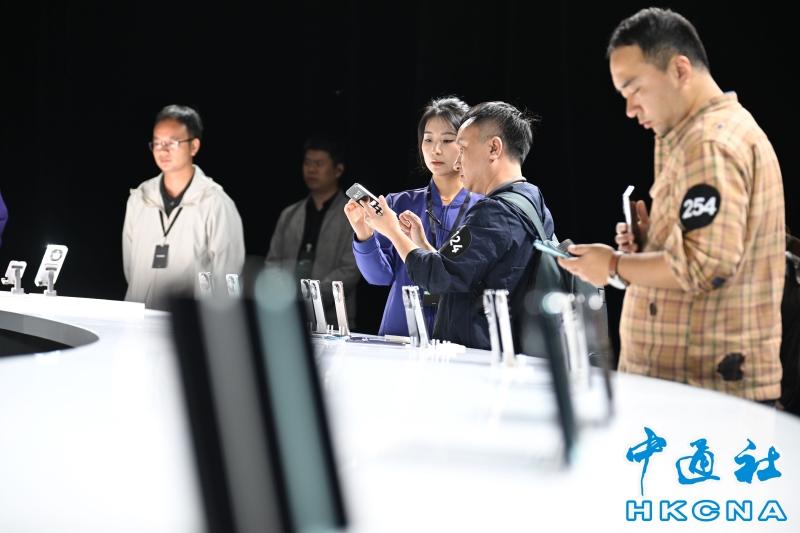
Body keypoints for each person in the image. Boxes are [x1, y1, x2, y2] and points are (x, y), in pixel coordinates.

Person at [557, 8, 785, 402]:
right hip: (687, 387)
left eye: (635, 89)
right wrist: (652, 244)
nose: (630, 109)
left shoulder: (709, 144)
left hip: (703, 392)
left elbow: (703, 266)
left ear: (680, 70)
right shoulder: (693, 136)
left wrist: (612, 265)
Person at [359, 101, 555, 349]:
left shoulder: (492, 212)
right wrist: (422, 243)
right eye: (428, 140)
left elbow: (438, 276)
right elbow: (461, 272)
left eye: (461, 148)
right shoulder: (532, 199)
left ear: (494, 148)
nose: (457, 162)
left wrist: (392, 231)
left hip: (478, 354)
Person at [344, 97, 482, 336]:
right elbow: (379, 277)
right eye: (428, 140)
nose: (435, 149)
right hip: (400, 332)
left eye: (447, 140)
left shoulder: (484, 209)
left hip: (457, 335)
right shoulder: (398, 204)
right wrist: (364, 235)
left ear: (466, 144)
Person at [123, 105, 245, 310]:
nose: (163, 150)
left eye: (172, 142)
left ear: (194, 146)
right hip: (138, 317)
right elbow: (130, 267)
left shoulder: (215, 203)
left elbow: (228, 276)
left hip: (188, 322)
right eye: (157, 143)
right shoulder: (139, 198)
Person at [266, 137, 359, 327]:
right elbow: (273, 263)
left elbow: (350, 269)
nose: (311, 169)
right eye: (307, 163)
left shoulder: (352, 215)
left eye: (319, 164)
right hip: (286, 316)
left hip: (334, 320)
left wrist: (309, 301)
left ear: (338, 170)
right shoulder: (290, 214)